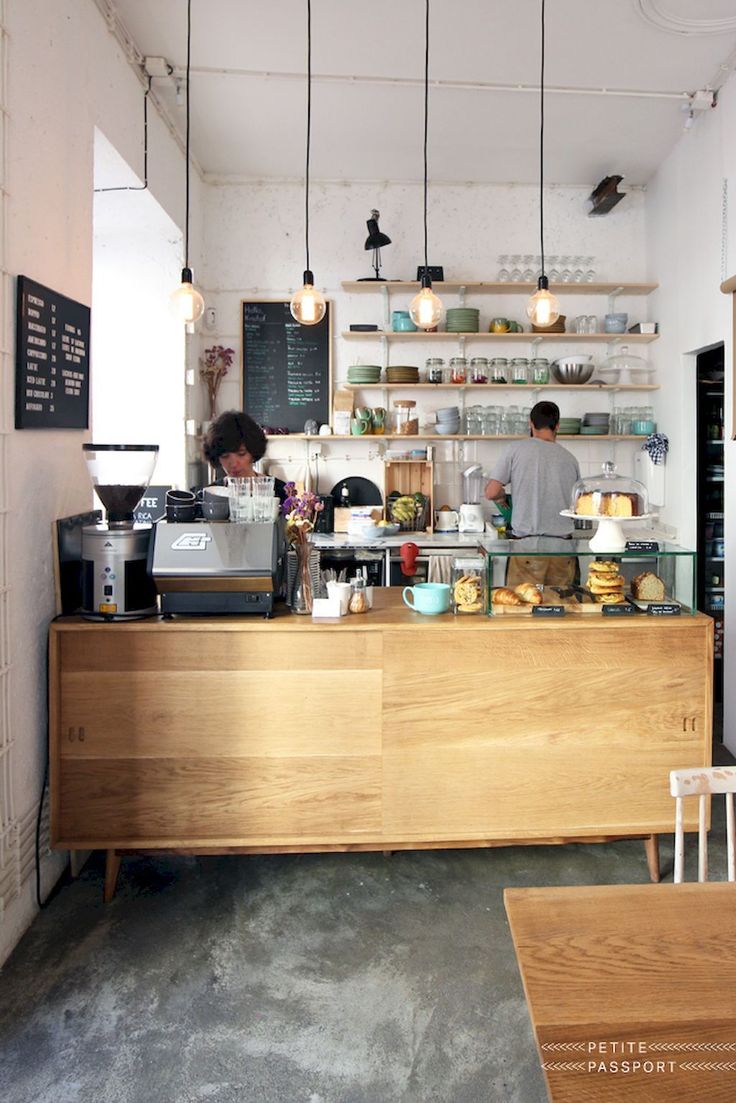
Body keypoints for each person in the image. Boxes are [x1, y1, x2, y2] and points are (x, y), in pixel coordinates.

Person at [484, 400, 580, 588]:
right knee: (560, 609)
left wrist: (501, 496)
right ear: (558, 425)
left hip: (526, 550)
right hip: (563, 551)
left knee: (524, 608)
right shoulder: (570, 459)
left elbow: (491, 492)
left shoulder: (515, 450)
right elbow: (577, 504)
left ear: (530, 423)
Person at [202, 410, 288, 503]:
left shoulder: (281, 491)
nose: (234, 464)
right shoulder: (211, 495)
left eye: (241, 454)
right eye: (225, 456)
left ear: (253, 451)